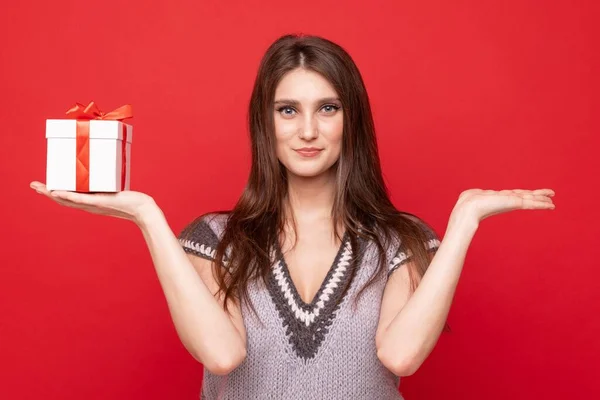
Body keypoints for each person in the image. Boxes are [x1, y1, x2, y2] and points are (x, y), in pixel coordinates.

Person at [30, 34, 555, 399]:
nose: (308, 131)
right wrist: (148, 216)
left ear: (352, 120)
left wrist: (464, 221)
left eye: (328, 108)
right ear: (265, 122)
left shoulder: (402, 240)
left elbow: (400, 356)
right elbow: (221, 354)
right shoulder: (215, 240)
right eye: (288, 110)